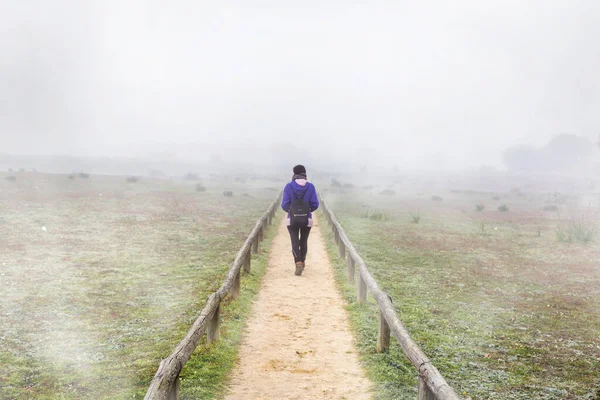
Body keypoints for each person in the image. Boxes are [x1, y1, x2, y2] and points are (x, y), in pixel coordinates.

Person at [281, 165, 319, 276]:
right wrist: (307, 210)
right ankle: (302, 261)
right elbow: (315, 204)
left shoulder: (288, 186)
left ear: (294, 174)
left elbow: (284, 205)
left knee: (294, 241)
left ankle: (297, 261)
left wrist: (291, 211)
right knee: (303, 241)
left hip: (291, 220)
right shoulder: (311, 187)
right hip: (307, 220)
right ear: (304, 173)